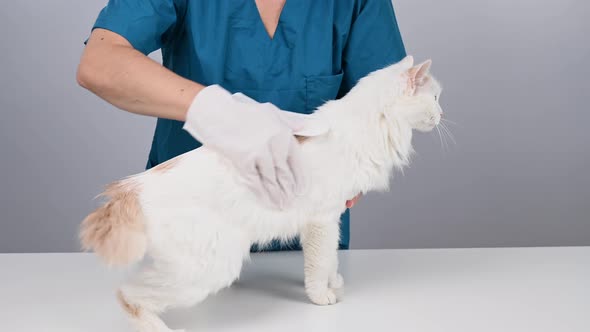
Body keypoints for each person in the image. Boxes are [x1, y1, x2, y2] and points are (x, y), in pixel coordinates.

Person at [77, 0, 406, 250]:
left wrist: (359, 156)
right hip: (189, 229)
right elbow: (99, 64)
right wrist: (221, 114)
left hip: (301, 240)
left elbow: (390, 99)